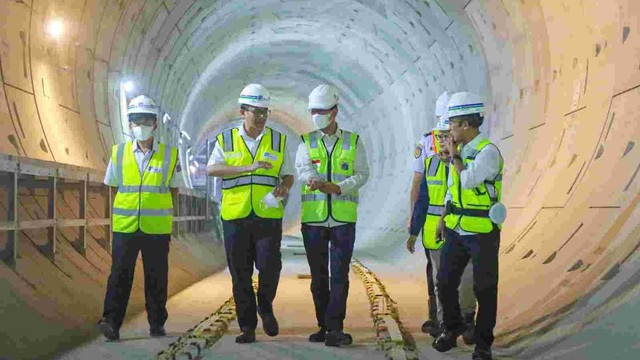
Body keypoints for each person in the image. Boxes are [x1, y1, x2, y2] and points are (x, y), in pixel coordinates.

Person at [207, 84, 294, 344]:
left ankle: (265, 306)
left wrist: (285, 186)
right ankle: (247, 327)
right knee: (240, 273)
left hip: (268, 213)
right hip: (235, 216)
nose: (261, 117)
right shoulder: (226, 140)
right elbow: (212, 169)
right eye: (256, 112)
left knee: (270, 266)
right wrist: (248, 167)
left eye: (265, 112)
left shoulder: (278, 140)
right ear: (242, 111)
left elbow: (288, 173)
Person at [98, 95, 183, 341]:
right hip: (125, 226)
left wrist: (160, 211)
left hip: (156, 227)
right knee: (119, 274)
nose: (140, 125)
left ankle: (157, 322)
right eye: (135, 120)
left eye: (145, 120)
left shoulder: (170, 155)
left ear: (155, 123)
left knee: (156, 276)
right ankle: (111, 322)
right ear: (129, 123)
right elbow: (112, 186)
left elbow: (174, 189)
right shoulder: (119, 152)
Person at [295, 84, 370, 347]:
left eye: (322, 111)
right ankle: (323, 326)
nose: (317, 116)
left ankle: (336, 328)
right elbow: (303, 169)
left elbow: (362, 173)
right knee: (319, 276)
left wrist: (338, 188)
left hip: (342, 220)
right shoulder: (306, 142)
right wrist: (314, 181)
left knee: (339, 275)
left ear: (335, 111)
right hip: (314, 220)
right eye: (313, 111)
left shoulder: (353, 141)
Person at [432, 92, 505, 360]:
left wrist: (455, 158)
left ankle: (483, 344)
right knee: (445, 281)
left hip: (482, 231)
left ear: (466, 125)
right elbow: (452, 191)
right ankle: (452, 328)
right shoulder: (459, 153)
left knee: (485, 288)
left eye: (452, 124)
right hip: (456, 227)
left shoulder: (488, 152)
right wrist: (443, 219)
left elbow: (469, 181)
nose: (448, 129)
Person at [406, 115, 477, 341]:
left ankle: (467, 321)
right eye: (440, 137)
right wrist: (413, 232)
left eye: (447, 136)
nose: (444, 141)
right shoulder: (431, 165)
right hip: (436, 235)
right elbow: (422, 200)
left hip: (461, 230)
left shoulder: (467, 163)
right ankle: (446, 326)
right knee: (441, 281)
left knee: (466, 278)